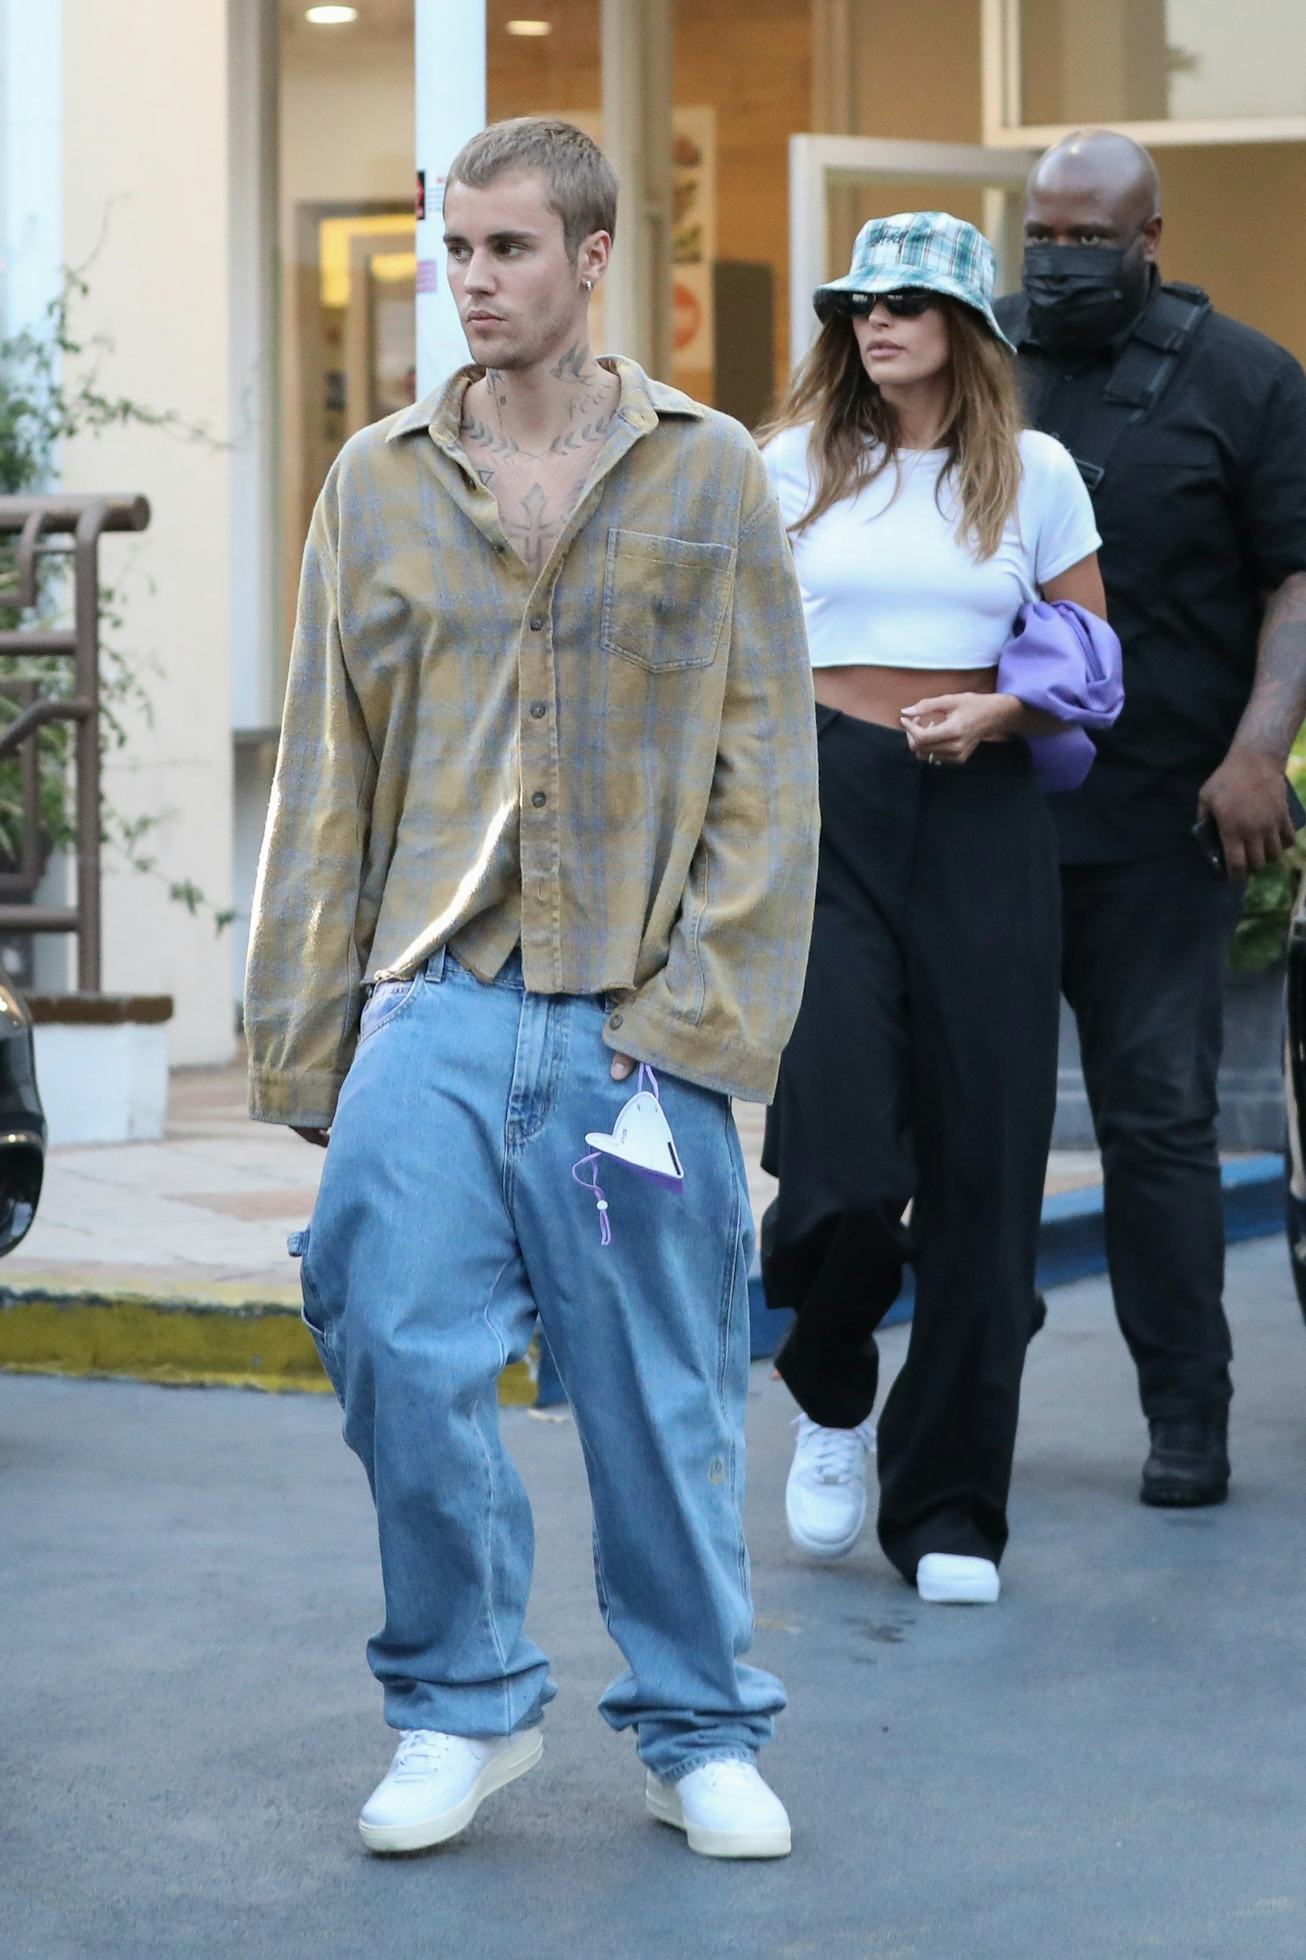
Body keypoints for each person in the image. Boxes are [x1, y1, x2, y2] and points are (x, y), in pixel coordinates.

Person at [245, 117, 818, 1860]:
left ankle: (695, 1730)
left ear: (588, 258)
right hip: (433, 999)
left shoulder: (708, 471)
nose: (472, 282)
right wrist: (312, 1036)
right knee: (389, 1342)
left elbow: (764, 769)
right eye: (455, 251)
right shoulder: (376, 477)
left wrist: (691, 1022)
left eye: (506, 251)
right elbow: (325, 769)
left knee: (659, 1391)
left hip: (631, 1031)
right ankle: (459, 1706)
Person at [759, 212, 1107, 1605]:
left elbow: (1088, 657)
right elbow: (724, 653)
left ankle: (952, 1504)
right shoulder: (779, 464)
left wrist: (1001, 709)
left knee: (983, 1169)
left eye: (905, 302)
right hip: (822, 804)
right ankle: (829, 1383)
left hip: (979, 814)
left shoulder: (1034, 474)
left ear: (965, 324)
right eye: (854, 302)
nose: (873, 323)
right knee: (837, 1168)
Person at [994, 130, 1306, 1508]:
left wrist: (1259, 753)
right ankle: (960, 1417)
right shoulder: (972, 362)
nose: (1056, 260)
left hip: (1161, 820)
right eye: (1039, 233)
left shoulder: (1245, 381)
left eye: (1084, 237)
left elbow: (1297, 580)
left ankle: (1187, 1417)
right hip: (982, 815)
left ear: (1148, 237)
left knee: (1157, 1123)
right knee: (971, 1126)